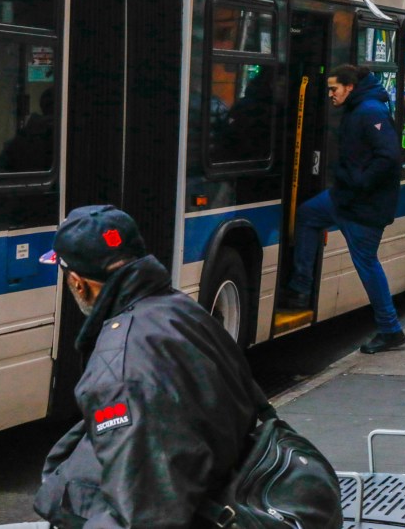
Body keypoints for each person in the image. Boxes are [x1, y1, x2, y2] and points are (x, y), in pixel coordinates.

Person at [33, 205, 260, 527]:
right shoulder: (182, 311)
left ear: (78, 283)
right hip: (227, 486)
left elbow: (144, 512)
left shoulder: (120, 369)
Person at [283, 64, 404, 354]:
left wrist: (361, 183)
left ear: (350, 87)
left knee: (366, 263)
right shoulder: (358, 108)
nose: (330, 95)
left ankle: (390, 329)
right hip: (343, 198)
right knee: (309, 214)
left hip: (363, 206)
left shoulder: (370, 111)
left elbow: (389, 157)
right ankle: (301, 288)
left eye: (333, 89)